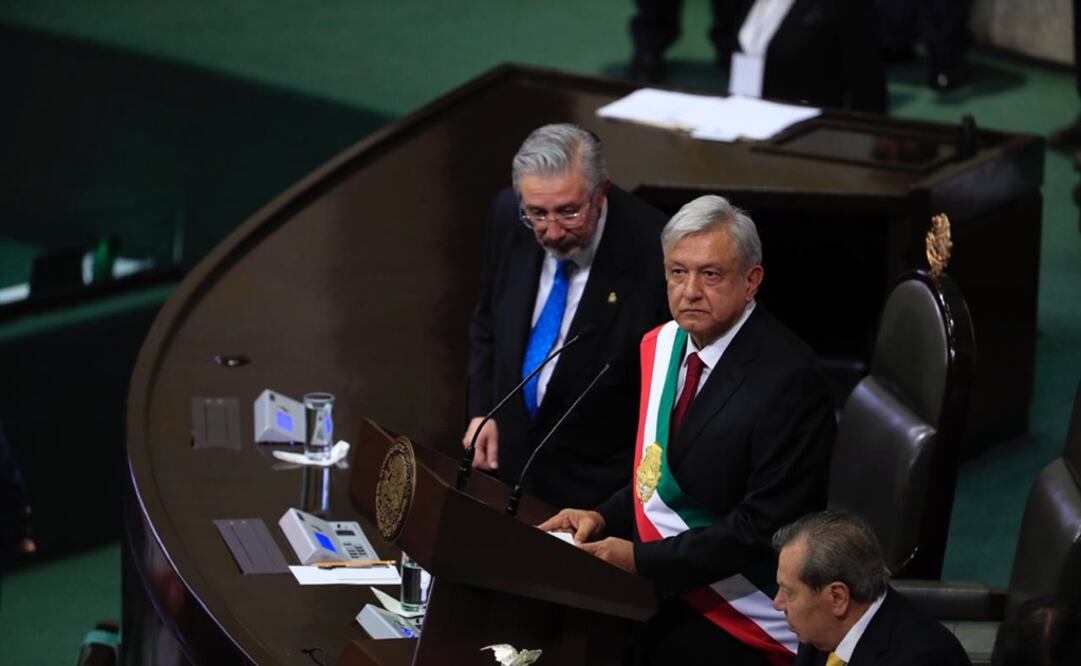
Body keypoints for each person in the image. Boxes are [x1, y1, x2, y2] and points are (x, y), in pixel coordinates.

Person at [540, 195, 835, 664]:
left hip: (741, 612)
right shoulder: (666, 346)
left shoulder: (790, 379)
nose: (690, 290)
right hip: (666, 590)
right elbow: (657, 473)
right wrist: (602, 516)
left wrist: (640, 559)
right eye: (678, 272)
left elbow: (763, 528)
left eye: (710, 274)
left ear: (751, 281)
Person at [464, 123, 669, 509]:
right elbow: (489, 321)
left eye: (569, 212)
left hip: (596, 493)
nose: (553, 232)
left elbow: (659, 399)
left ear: (600, 193)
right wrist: (482, 411)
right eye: (537, 214)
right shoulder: (507, 215)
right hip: (504, 475)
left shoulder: (654, 251)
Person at [772, 510, 971, 666]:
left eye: (789, 592)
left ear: (837, 597)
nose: (777, 604)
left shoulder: (921, 659)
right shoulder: (819, 634)